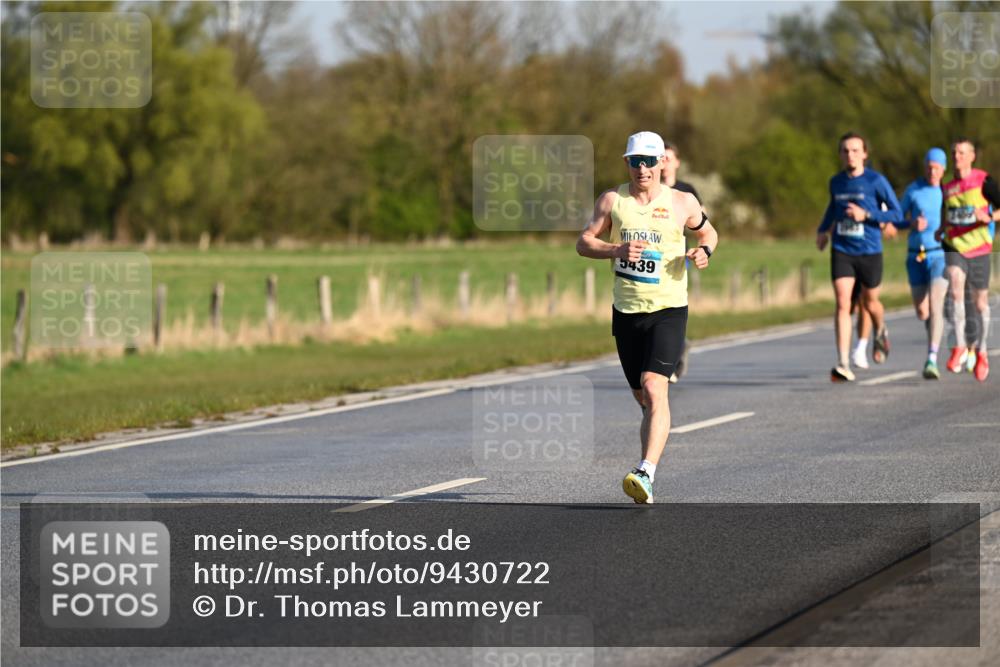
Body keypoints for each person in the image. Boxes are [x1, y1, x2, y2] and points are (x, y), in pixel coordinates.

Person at [577, 131, 718, 503]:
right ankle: (647, 468)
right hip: (626, 312)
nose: (643, 168)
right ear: (627, 163)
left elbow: (709, 233)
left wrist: (705, 251)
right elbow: (583, 242)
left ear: (662, 163)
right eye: (635, 161)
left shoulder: (682, 202)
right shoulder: (613, 200)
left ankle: (645, 470)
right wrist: (616, 249)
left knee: (656, 387)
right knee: (643, 397)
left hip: (668, 309)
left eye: (649, 161)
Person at [816, 132, 903, 382]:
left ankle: (881, 329)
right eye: (845, 150)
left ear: (865, 153)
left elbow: (896, 214)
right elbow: (832, 208)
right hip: (843, 249)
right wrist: (823, 230)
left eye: (855, 150)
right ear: (840, 154)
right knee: (843, 303)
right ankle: (843, 362)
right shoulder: (836, 182)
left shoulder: (876, 181)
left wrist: (866, 216)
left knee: (870, 303)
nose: (849, 155)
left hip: (870, 250)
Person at [939, 138, 1000, 382]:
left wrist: (989, 217)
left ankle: (982, 351)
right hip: (955, 246)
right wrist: (940, 228)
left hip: (979, 248)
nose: (957, 157)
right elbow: (947, 213)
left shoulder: (984, 180)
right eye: (954, 153)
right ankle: (961, 346)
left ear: (972, 156)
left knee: (980, 303)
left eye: (962, 153)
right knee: (955, 290)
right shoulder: (947, 187)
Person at [896, 148, 948, 379]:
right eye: (929, 166)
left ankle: (932, 358)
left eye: (936, 167)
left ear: (943, 169)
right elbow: (896, 219)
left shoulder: (948, 192)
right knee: (922, 310)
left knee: (936, 304)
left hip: (940, 254)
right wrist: (910, 223)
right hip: (915, 254)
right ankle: (933, 337)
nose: (932, 170)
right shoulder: (913, 190)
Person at [660, 142, 703, 384]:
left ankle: (673, 361)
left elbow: (702, 221)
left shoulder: (686, 191)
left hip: (679, 257)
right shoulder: (649, 190)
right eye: (661, 158)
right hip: (653, 258)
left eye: (669, 158)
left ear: (677, 162)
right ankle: (677, 347)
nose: (664, 163)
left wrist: (701, 249)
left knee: (672, 305)